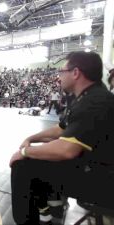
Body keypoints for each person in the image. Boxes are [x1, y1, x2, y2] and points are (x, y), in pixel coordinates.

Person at [10, 51, 114, 225]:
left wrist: (24, 151)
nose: (59, 76)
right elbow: (61, 129)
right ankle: (54, 207)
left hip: (105, 183)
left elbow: (66, 150)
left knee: (22, 165)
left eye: (62, 71)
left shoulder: (94, 102)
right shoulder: (89, 96)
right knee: (46, 151)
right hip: (98, 169)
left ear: (75, 73)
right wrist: (31, 138)